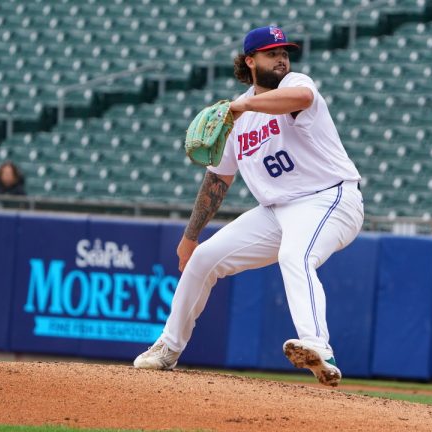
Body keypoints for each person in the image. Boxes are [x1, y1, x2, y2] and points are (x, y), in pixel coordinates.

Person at [133, 26, 364, 386]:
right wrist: (191, 236)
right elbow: (217, 179)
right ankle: (167, 348)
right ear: (250, 61)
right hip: (276, 210)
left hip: (329, 197)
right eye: (272, 53)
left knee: (296, 256)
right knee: (203, 260)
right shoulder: (237, 119)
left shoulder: (293, 85)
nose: (282, 58)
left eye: (284, 51)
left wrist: (243, 104)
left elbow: (302, 97)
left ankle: (319, 348)